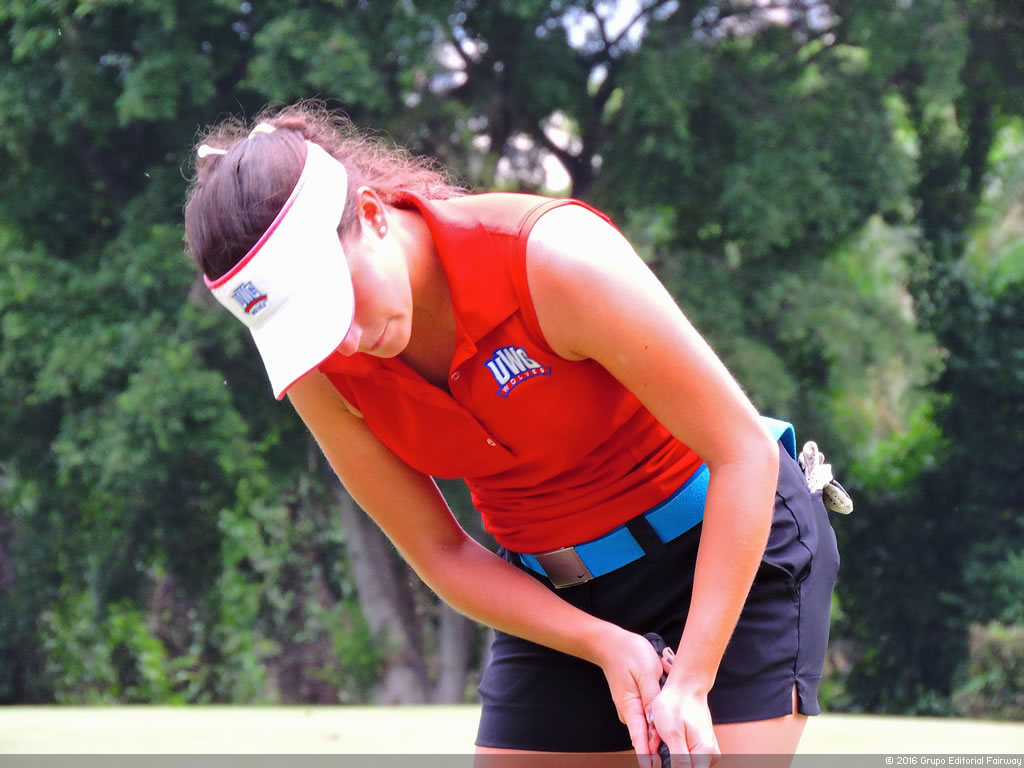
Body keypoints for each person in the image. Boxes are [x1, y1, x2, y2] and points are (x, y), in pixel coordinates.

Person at [183, 102, 841, 764]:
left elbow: (741, 452)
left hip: (725, 553)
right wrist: (602, 643)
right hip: (560, 602)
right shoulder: (320, 366)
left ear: (374, 215)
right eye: (312, 326)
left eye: (338, 301)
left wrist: (692, 681)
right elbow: (441, 552)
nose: (346, 340)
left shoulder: (550, 259)